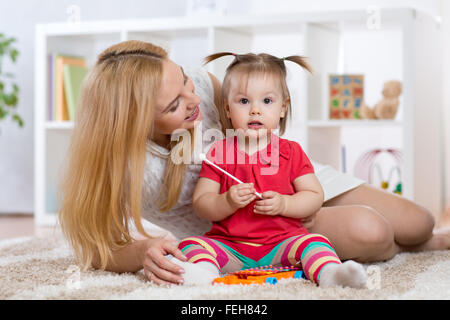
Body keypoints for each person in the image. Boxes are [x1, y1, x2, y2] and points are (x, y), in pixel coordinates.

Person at [58, 40, 448, 286]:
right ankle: (383, 249)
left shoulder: (201, 86)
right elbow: (94, 248)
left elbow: (257, 112)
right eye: (174, 105)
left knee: (419, 221)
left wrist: (293, 195)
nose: (194, 101)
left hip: (293, 183)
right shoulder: (124, 167)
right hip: (249, 228)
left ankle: (420, 241)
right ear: (132, 123)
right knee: (372, 231)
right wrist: (141, 251)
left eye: (185, 83)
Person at [172, 52, 368, 288]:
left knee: (315, 242)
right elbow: (202, 203)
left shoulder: (291, 151)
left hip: (283, 245)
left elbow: (314, 196)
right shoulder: (218, 152)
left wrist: (285, 204)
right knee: (189, 244)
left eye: (267, 101)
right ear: (227, 109)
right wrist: (227, 201)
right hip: (230, 248)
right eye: (244, 101)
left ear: (283, 108)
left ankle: (331, 275)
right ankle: (204, 274)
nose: (255, 110)